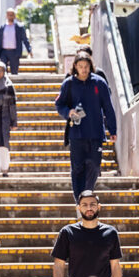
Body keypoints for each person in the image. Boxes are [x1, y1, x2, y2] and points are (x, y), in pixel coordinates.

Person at [54, 51, 117, 204]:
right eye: (80, 66)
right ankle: (79, 201)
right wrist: (68, 112)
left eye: (86, 66)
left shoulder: (99, 83)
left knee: (95, 166)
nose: (83, 69)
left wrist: (112, 129)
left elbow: (108, 107)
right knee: (77, 168)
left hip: (95, 133)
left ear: (90, 66)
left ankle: (86, 193)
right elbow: (59, 104)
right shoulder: (68, 84)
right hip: (76, 134)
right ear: (75, 66)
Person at [0, 8, 32, 74]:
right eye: (8, 15)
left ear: (14, 16)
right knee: (2, 71)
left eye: (12, 15)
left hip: (14, 52)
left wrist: (29, 50)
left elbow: (25, 39)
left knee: (14, 72)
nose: (10, 16)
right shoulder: (2, 28)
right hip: (3, 52)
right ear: (6, 16)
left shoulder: (19, 28)